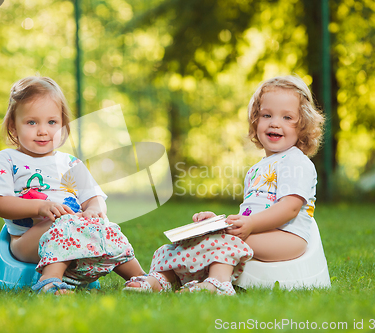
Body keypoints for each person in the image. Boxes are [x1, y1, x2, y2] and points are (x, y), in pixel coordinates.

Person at [123, 75, 324, 295]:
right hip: (260, 231)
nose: (275, 122)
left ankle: (218, 284)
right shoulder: (257, 169)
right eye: (267, 115)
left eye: (287, 117)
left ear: (303, 124)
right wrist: (220, 222)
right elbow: (251, 213)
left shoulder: (296, 162)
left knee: (225, 240)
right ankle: (160, 279)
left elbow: (290, 208)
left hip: (287, 237)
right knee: (197, 239)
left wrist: (249, 225)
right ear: (255, 120)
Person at [0, 76, 145, 295]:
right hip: (28, 241)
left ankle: (141, 279)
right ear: (13, 126)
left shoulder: (71, 164)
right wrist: (39, 208)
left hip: (76, 231)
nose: (43, 130)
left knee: (107, 228)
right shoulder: (6, 160)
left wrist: (94, 211)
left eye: (52, 122)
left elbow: (94, 198)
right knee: (65, 223)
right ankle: (50, 282)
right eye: (32, 122)